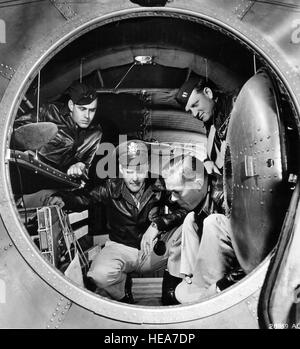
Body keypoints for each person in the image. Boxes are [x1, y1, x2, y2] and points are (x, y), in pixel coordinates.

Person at [47, 140, 187, 303]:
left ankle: (171, 290)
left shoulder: (159, 184)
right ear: (121, 169)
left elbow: (184, 209)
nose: (135, 178)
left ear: (147, 166)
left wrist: (158, 225)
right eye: (129, 171)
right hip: (120, 248)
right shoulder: (110, 187)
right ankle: (122, 293)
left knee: (187, 227)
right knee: (99, 275)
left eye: (140, 170)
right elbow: (85, 197)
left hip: (152, 250)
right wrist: (63, 199)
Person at [14, 81, 102, 208]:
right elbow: (14, 130)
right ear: (71, 105)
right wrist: (28, 146)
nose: (87, 116)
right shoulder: (48, 111)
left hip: (55, 189)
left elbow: (86, 167)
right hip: (26, 177)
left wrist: (81, 166)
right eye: (82, 109)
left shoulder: (95, 133)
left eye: (92, 110)